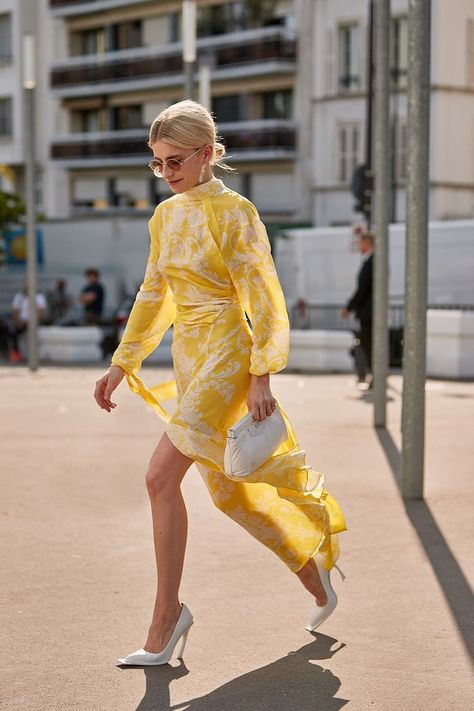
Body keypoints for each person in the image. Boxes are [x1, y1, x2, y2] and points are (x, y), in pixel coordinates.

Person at [94, 100, 347, 666]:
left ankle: (166, 617)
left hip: (232, 354)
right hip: (191, 359)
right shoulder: (164, 217)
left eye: (176, 161)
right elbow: (153, 293)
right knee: (230, 493)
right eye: (157, 164)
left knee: (160, 477)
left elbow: (263, 295)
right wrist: (123, 361)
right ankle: (317, 576)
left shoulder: (237, 213)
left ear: (208, 153)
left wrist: (261, 373)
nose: (167, 173)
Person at [342, 231, 373, 389]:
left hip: (368, 313)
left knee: (369, 345)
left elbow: (363, 289)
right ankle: (371, 375)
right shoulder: (370, 260)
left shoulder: (371, 261)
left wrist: (349, 307)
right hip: (369, 312)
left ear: (368, 243)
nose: (359, 246)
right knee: (367, 344)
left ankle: (372, 375)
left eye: (361, 242)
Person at [8, 286, 48, 362]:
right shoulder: (19, 296)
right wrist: (18, 320)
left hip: (33, 321)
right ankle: (15, 353)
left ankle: (20, 353)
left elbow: (41, 312)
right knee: (11, 330)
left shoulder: (38, 296)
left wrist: (30, 320)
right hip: (21, 322)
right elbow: (15, 310)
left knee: (20, 331)